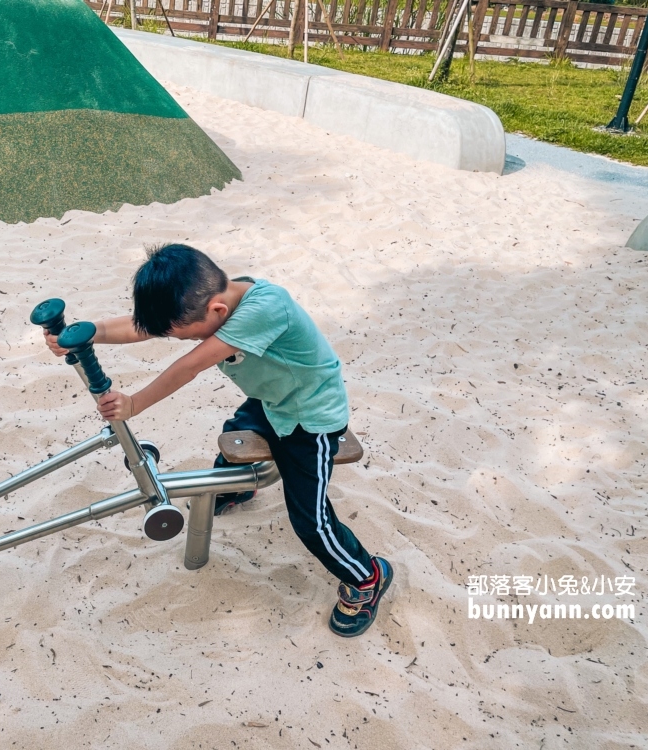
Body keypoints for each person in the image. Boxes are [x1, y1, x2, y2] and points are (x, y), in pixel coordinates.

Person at [43, 243, 392, 637]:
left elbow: (190, 366)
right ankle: (235, 490)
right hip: (273, 400)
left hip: (309, 418)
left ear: (217, 314)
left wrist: (135, 403)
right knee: (235, 433)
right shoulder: (215, 295)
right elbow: (144, 327)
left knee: (310, 520)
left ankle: (368, 578)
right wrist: (87, 333)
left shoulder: (265, 309)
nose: (180, 341)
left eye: (183, 335)